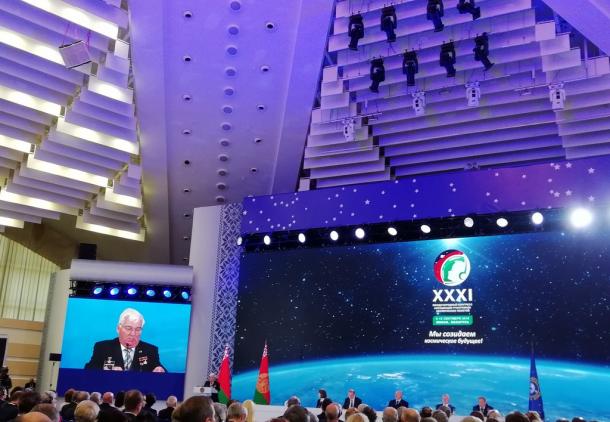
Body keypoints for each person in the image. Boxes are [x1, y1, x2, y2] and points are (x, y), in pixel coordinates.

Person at [85, 308, 165, 372]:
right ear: (118, 329)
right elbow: (88, 370)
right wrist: (108, 370)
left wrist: (160, 370)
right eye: (128, 328)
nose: (133, 334)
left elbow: (162, 371)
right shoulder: (103, 348)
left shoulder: (150, 350)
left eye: (138, 329)